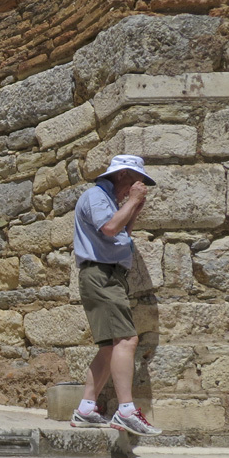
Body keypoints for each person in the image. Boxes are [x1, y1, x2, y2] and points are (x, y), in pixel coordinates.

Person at [69, 154, 162, 436]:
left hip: (108, 275)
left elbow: (121, 234)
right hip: (102, 275)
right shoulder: (96, 196)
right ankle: (126, 411)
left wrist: (133, 208)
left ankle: (86, 408)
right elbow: (109, 228)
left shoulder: (107, 200)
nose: (136, 187)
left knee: (110, 346)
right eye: (136, 182)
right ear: (122, 175)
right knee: (127, 339)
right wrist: (132, 201)